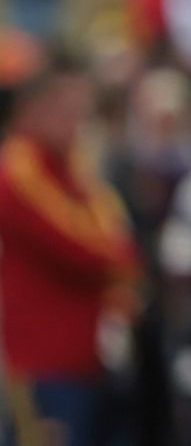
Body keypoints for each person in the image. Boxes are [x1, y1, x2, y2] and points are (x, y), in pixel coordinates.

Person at [0, 52, 141, 446]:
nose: (77, 120)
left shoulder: (73, 168)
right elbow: (93, 250)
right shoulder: (18, 170)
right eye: (66, 108)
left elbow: (116, 231)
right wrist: (120, 259)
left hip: (86, 362)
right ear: (33, 109)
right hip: (43, 365)